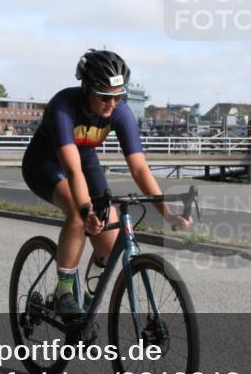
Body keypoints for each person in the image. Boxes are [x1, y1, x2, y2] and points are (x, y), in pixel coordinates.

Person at [22, 49, 192, 320]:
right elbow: (72, 171)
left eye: (118, 97)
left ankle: (87, 307)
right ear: (85, 87)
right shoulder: (63, 106)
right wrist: (86, 211)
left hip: (86, 160)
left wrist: (167, 213)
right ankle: (64, 293)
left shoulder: (119, 112)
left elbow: (138, 168)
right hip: (46, 164)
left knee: (109, 239)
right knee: (79, 215)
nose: (112, 104)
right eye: (104, 96)